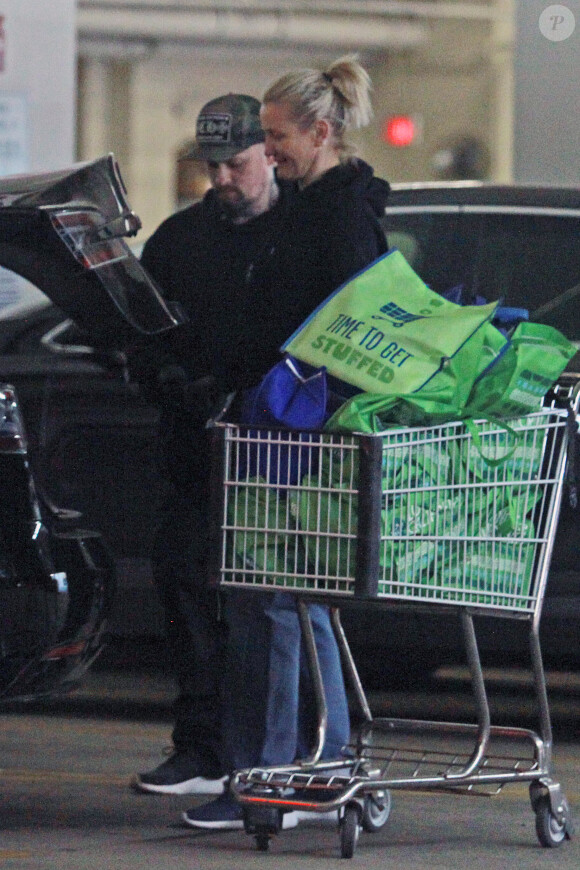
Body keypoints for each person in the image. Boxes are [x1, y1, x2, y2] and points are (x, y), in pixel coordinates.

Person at [183, 54, 391, 830]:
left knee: (273, 603)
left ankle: (270, 775)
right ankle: (319, 763)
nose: (267, 151)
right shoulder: (316, 208)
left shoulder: (338, 218)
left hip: (297, 436)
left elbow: (340, 333)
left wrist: (272, 382)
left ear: (321, 131)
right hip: (285, 429)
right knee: (294, 605)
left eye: (276, 136)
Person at [131, 93, 293, 796]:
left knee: (274, 613)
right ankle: (200, 748)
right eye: (212, 167)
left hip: (282, 459)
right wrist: (165, 379)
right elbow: (138, 338)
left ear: (270, 155)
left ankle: (272, 754)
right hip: (196, 456)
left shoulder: (302, 235)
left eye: (237, 164)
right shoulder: (178, 241)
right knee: (188, 589)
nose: (223, 179)